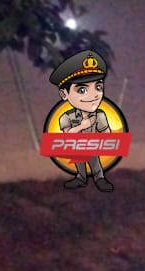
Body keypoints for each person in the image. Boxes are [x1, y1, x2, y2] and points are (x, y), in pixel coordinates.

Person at [48, 50, 115, 192]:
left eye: (98, 87)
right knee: (78, 155)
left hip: (93, 146)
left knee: (94, 159)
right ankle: (81, 178)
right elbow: (66, 137)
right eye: (82, 90)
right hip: (77, 146)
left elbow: (107, 135)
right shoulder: (66, 117)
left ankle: (99, 178)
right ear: (64, 94)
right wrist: (82, 126)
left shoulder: (100, 115)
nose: (94, 95)